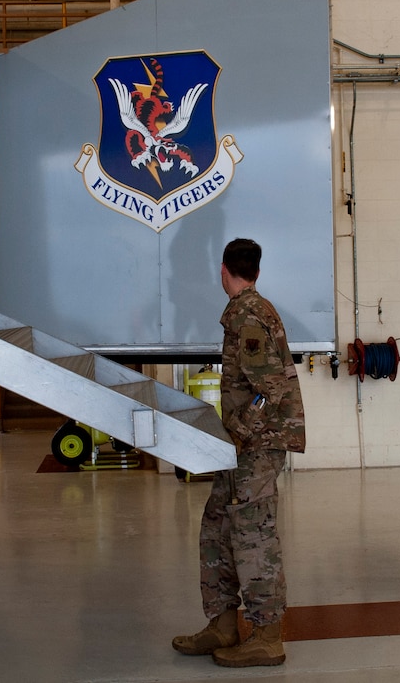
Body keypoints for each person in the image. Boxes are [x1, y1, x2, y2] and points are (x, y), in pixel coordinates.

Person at [171, 238, 306, 668]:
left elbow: (271, 388)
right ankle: (223, 624)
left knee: (253, 536)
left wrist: (240, 433)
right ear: (257, 271)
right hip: (242, 447)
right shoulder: (244, 311)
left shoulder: (249, 314)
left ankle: (267, 636)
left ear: (223, 270)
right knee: (217, 528)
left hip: (257, 446)